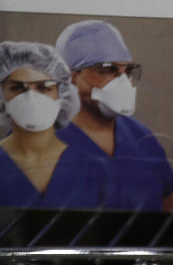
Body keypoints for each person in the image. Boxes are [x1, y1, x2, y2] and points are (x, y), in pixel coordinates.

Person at [55, 20, 173, 212]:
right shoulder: (33, 141)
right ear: (72, 77)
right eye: (107, 70)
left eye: (126, 71)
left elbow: (170, 202)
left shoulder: (142, 138)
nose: (122, 82)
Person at [0, 41, 116, 208]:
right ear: (2, 96)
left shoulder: (94, 170)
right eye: (17, 88)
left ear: (62, 95)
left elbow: (112, 231)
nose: (31, 98)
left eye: (44, 87)